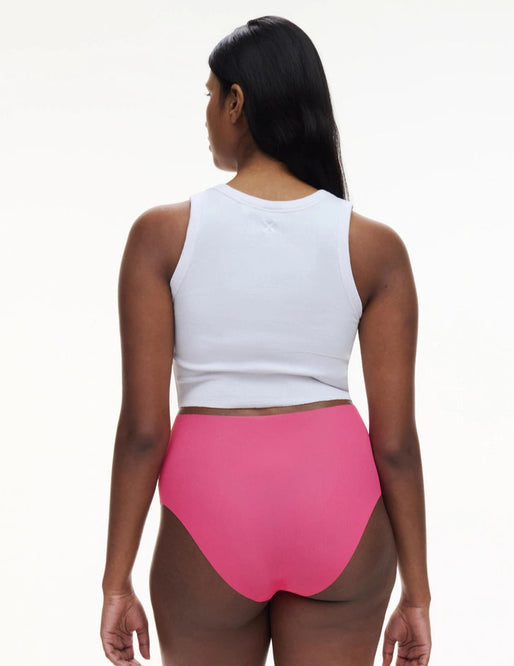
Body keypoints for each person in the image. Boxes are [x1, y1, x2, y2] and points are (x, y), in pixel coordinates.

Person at [100, 15, 432, 666]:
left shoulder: (162, 237)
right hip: (337, 508)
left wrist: (116, 581)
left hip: (211, 511)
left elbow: (143, 431)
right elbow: (394, 445)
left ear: (236, 102)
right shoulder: (372, 247)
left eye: (209, 96)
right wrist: (417, 594)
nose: (205, 115)